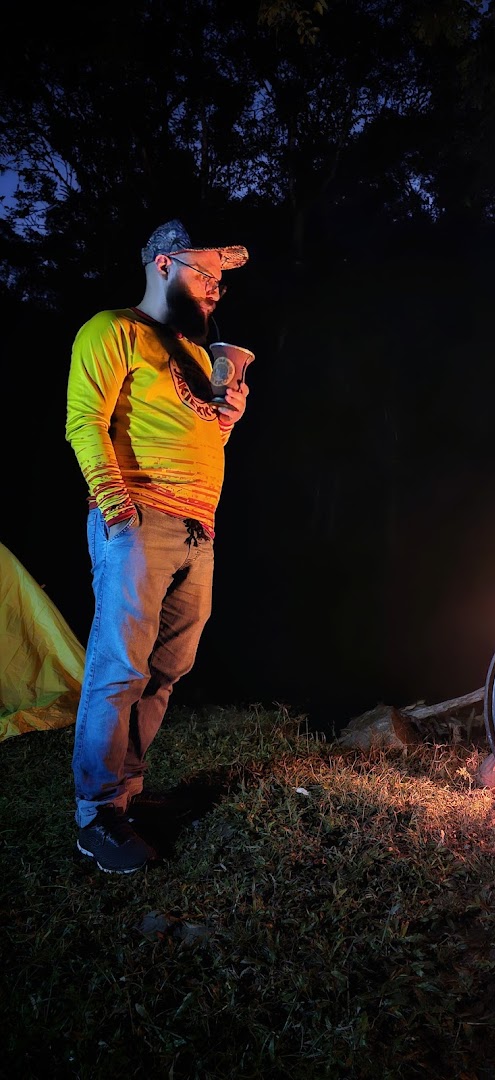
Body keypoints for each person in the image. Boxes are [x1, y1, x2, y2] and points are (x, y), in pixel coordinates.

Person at [65, 219, 251, 874]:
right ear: (166, 265)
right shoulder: (111, 330)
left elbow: (202, 440)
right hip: (137, 517)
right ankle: (95, 817)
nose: (216, 291)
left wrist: (228, 421)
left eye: (222, 282)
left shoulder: (199, 358)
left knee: (167, 670)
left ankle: (128, 796)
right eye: (207, 275)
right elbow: (83, 419)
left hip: (199, 529)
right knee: (119, 668)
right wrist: (116, 508)